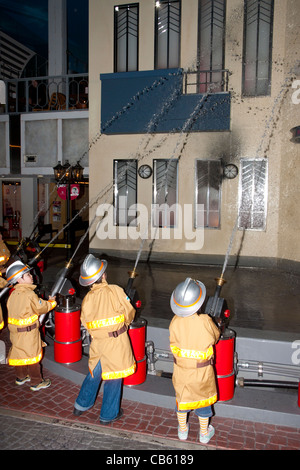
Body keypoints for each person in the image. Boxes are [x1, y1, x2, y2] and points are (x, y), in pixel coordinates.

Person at [73, 254, 136, 424]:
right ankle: (108, 415)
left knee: (95, 373)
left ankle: (81, 405)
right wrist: (125, 322)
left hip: (98, 344)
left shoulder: (87, 299)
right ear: (103, 275)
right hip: (116, 343)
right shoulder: (115, 291)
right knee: (114, 378)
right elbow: (129, 313)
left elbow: (85, 322)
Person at [169, 277, 220, 444]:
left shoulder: (174, 322)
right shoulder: (205, 320)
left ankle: (183, 431)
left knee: (182, 401)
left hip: (182, 372)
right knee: (203, 402)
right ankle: (204, 433)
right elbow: (215, 336)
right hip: (201, 373)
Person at [6, 260, 56, 391]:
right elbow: (41, 307)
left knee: (19, 354)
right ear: (19, 280)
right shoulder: (29, 294)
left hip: (15, 333)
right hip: (28, 333)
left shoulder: (13, 295)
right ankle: (36, 382)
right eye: (27, 275)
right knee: (33, 357)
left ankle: (21, 377)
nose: (31, 276)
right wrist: (52, 302)